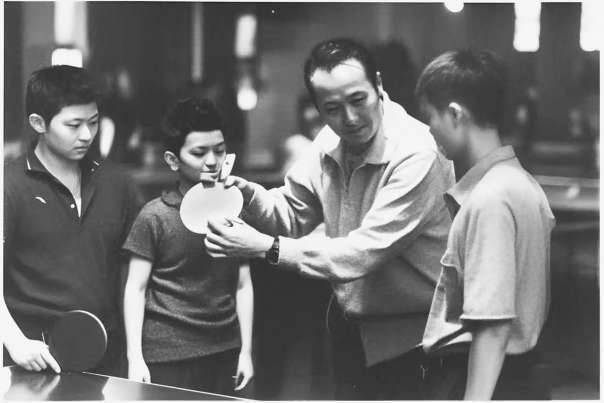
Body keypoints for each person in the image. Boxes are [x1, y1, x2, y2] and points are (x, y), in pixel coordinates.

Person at [204, 38, 454, 400]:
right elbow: (291, 213)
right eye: (333, 108)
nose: (349, 119)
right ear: (318, 107)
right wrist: (250, 196)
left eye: (358, 100)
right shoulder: (328, 141)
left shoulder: (417, 153)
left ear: (378, 85)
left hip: (415, 342)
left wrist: (265, 248)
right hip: (351, 330)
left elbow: (361, 254)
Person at [417, 50, 555, 400]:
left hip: (487, 381)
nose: (429, 130)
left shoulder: (489, 198)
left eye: (429, 117)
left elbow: (492, 326)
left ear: (455, 114)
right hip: (514, 376)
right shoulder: (522, 183)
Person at [3, 65, 142, 376]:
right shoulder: (8, 186)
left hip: (106, 357)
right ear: (38, 123)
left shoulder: (118, 184)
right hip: (32, 357)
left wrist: (135, 354)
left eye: (93, 122)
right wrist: (15, 342)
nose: (87, 135)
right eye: (74, 125)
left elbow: (135, 276)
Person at [122, 97, 254, 396]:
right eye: (199, 152)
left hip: (224, 349)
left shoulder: (235, 212)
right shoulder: (154, 216)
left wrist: (246, 351)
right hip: (167, 355)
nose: (212, 160)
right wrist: (135, 357)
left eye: (219, 150)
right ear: (173, 160)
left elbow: (243, 285)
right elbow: (135, 288)